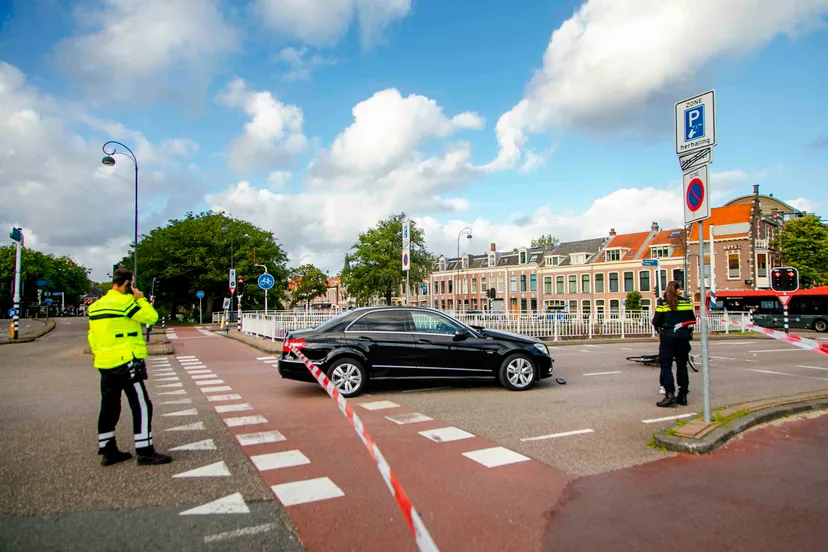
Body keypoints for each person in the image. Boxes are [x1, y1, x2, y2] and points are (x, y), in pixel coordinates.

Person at [88, 267, 172, 466]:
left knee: (109, 405)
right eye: (132, 284)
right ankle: (145, 451)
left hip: (104, 361)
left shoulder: (96, 306)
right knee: (141, 405)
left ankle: (108, 450)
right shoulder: (126, 303)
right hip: (126, 360)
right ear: (127, 283)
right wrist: (141, 299)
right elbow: (151, 317)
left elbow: (94, 334)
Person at [652, 281, 696, 407]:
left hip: (668, 337)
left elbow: (656, 321)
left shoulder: (663, 304)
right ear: (678, 290)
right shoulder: (686, 303)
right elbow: (692, 319)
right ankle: (683, 395)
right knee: (682, 366)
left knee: (666, 366)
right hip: (683, 336)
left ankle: (670, 395)